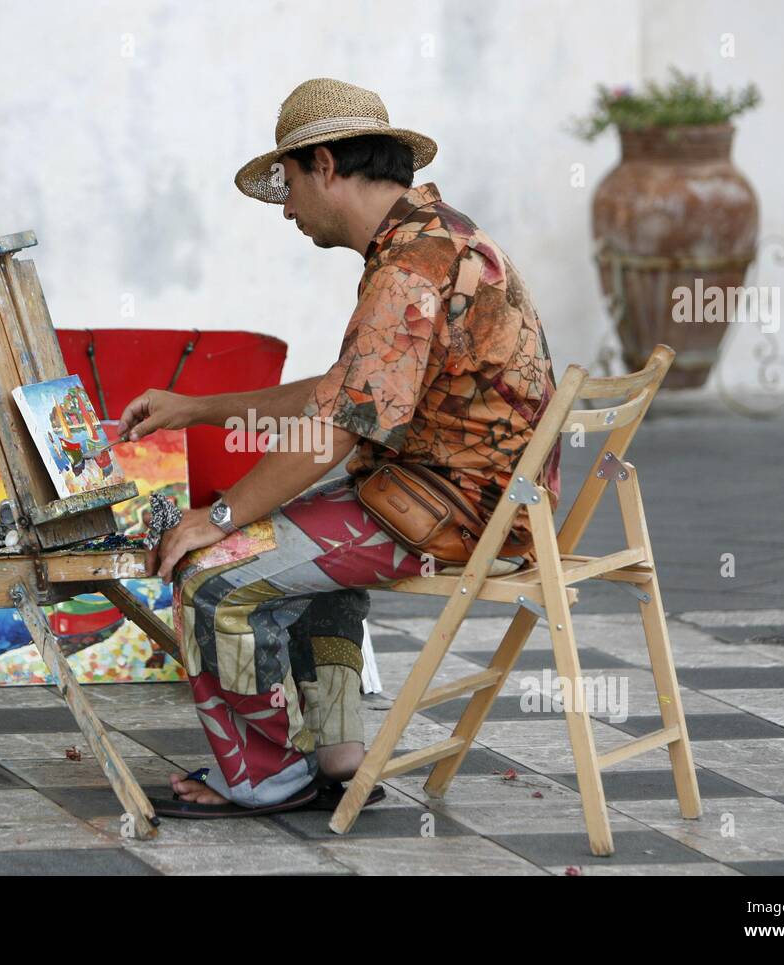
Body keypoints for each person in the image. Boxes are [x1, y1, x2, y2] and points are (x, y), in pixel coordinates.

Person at [116, 78, 561, 817]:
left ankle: (265, 773)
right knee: (298, 543)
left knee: (210, 570)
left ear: (325, 165)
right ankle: (337, 755)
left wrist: (218, 517)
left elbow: (333, 429)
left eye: (288, 185)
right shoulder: (434, 237)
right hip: (476, 498)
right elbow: (343, 391)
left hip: (456, 513)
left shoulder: (409, 267)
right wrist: (195, 408)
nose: (287, 208)